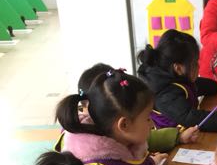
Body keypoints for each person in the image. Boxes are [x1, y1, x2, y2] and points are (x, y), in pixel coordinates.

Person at [55, 62, 200, 153]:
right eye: (147, 118)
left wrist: (178, 137)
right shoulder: (96, 157)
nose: (151, 123)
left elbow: (145, 138)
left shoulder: (106, 124)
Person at [138, 29, 217, 133]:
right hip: (174, 140)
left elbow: (193, 85)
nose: (198, 66)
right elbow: (190, 118)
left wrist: (214, 87)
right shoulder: (165, 95)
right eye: (194, 63)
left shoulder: (171, 75)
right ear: (178, 68)